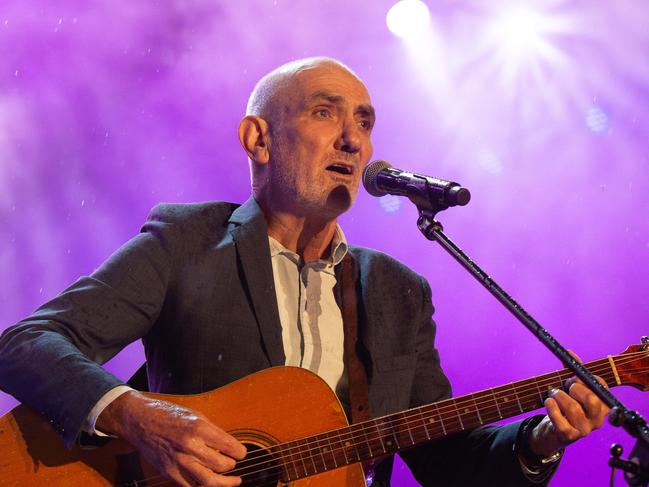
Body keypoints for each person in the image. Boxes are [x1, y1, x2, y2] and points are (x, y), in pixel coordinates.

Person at [0, 57, 609, 486]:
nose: (352, 138)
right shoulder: (188, 241)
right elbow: (24, 344)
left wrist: (539, 442)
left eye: (365, 122)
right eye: (325, 113)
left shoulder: (397, 292)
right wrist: (139, 418)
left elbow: (447, 462)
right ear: (257, 139)